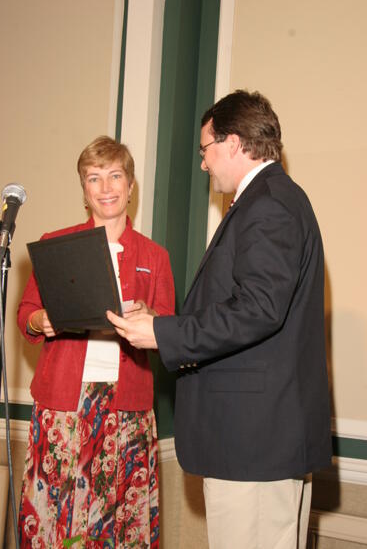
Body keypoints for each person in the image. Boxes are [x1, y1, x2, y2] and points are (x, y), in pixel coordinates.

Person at [106, 90, 332, 549]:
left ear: (233, 143)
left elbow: (258, 309)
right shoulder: (270, 200)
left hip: (252, 442)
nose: (204, 164)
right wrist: (160, 320)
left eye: (205, 150)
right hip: (257, 439)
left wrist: (161, 332)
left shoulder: (268, 203)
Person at [17, 136, 175, 548]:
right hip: (63, 405)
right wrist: (42, 318)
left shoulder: (155, 256)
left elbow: (173, 328)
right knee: (56, 517)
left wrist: (151, 318)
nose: (106, 188)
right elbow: (26, 314)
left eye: (115, 176)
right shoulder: (57, 243)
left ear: (131, 185)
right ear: (84, 191)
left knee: (117, 524)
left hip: (128, 410)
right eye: (94, 178)